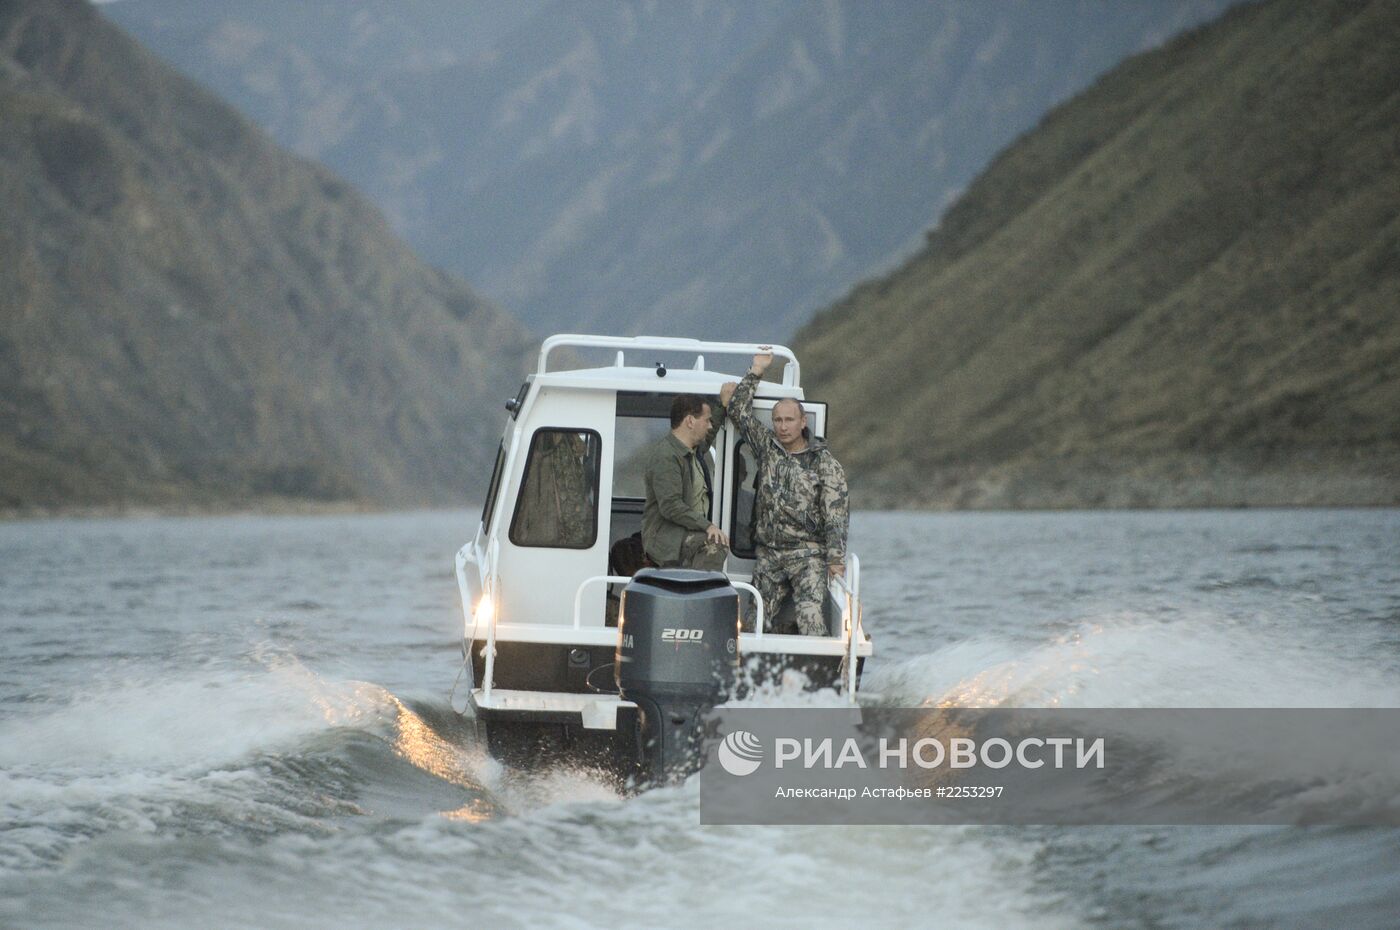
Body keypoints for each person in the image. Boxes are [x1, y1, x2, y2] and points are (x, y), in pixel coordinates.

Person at [730, 350, 849, 635]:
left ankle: (818, 672)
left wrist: (835, 559)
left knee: (810, 618)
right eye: (778, 420)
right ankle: (752, 673)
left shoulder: (824, 463)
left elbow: (835, 514)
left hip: (807, 555)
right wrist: (756, 371)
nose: (783, 426)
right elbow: (737, 410)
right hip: (769, 553)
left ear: (803, 422)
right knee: (755, 621)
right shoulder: (766, 447)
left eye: (789, 420)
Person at [640, 387, 737, 571]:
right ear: (690, 421)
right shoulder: (667, 456)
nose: (709, 425)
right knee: (715, 545)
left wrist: (722, 405)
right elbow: (670, 506)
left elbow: (710, 432)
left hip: (687, 534)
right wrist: (708, 526)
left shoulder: (693, 451)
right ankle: (698, 595)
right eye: (706, 421)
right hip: (667, 539)